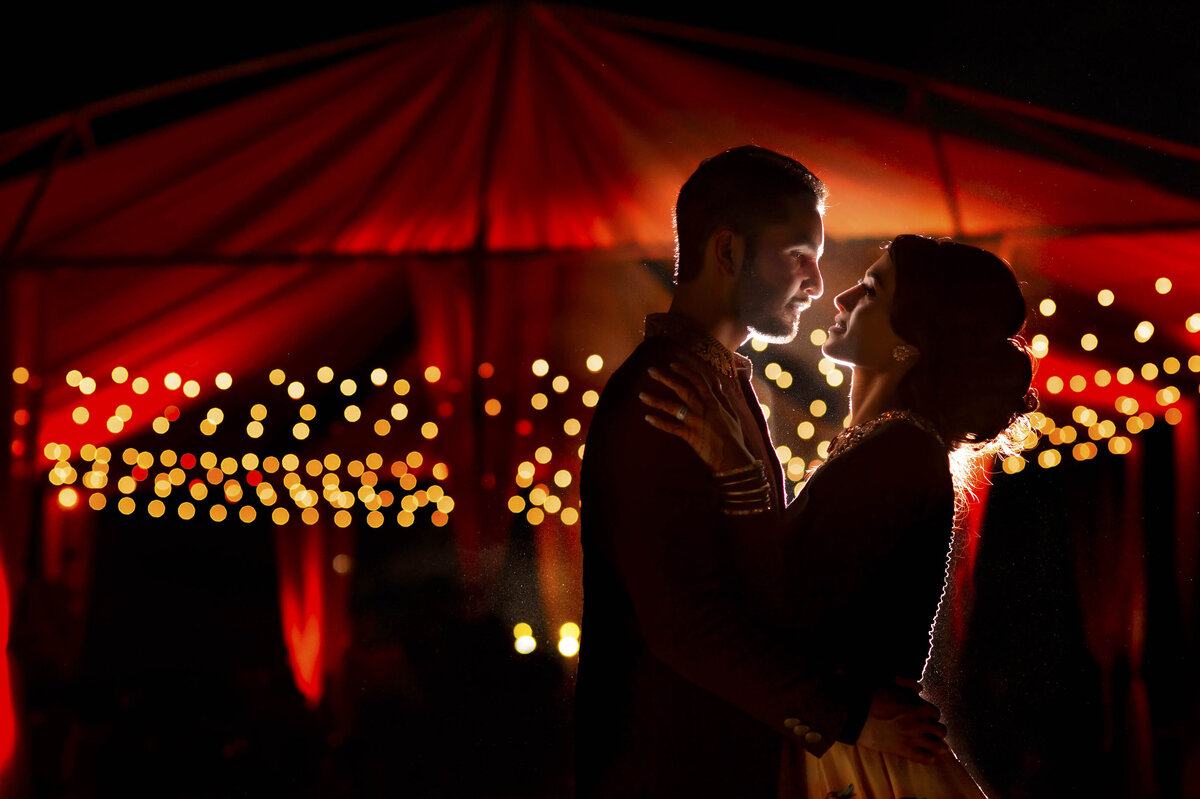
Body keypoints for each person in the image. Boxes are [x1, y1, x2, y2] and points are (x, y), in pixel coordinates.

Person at [574, 148, 948, 798]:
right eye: (798, 254)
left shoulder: (718, 378)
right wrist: (848, 718)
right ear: (727, 252)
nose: (815, 280)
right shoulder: (664, 393)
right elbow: (687, 624)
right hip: (674, 769)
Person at [641, 233, 1036, 797]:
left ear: (913, 336)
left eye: (871, 290)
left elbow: (782, 608)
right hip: (848, 739)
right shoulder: (885, 444)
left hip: (857, 756)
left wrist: (737, 471)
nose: (842, 298)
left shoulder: (900, 450)